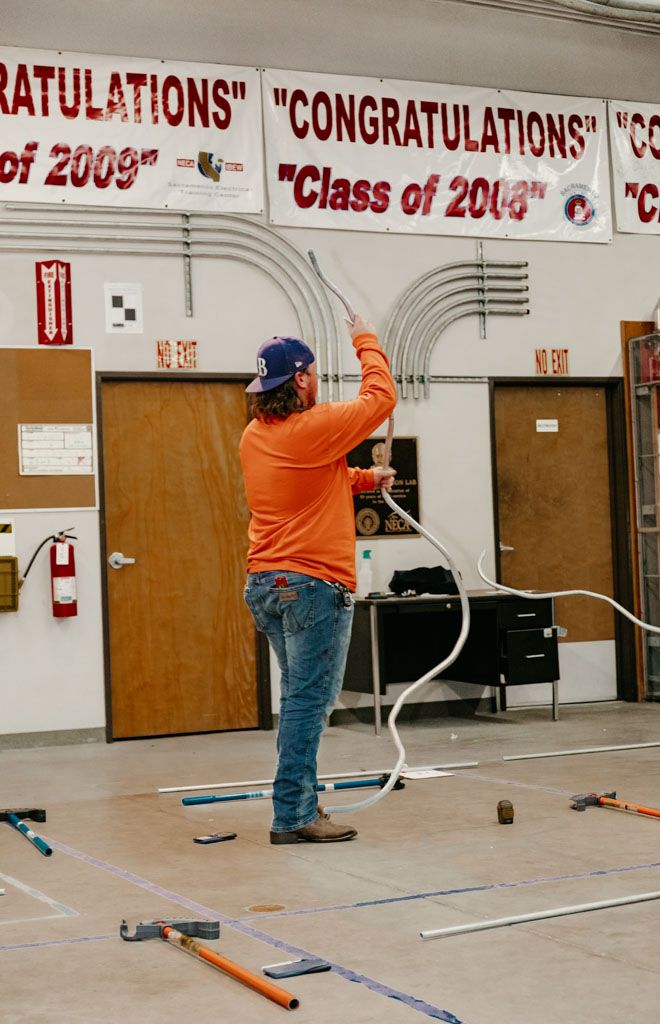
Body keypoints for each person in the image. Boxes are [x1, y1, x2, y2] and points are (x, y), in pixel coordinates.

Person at [240, 314, 397, 844]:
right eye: (314, 375)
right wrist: (365, 339)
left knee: (299, 700)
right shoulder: (314, 426)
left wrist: (366, 478)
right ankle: (293, 815)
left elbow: (310, 478)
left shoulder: (256, 436)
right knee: (310, 703)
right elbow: (381, 398)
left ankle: (300, 804)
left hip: (267, 584)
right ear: (303, 379)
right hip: (311, 585)